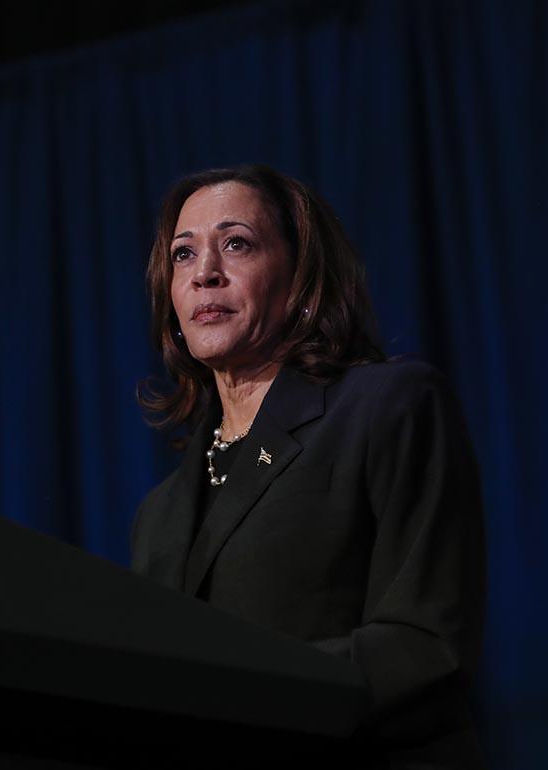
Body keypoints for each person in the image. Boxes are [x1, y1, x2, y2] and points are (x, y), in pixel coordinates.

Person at [131, 165, 487, 766]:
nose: (204, 274)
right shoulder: (160, 513)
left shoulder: (387, 408)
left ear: (300, 274)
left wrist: (235, 695)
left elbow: (425, 647)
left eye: (236, 243)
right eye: (183, 255)